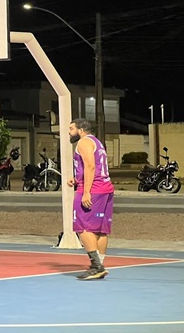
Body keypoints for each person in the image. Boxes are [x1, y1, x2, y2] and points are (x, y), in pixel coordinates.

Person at [67, 118, 115, 280]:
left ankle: (96, 266)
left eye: (71, 128)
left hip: (93, 190)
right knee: (100, 230)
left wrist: (86, 191)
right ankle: (99, 264)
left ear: (81, 130)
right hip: (104, 188)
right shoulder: (97, 142)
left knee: (83, 227)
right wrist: (77, 179)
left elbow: (90, 166)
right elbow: (95, 166)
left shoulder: (84, 142)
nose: (69, 132)